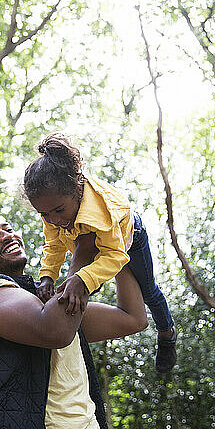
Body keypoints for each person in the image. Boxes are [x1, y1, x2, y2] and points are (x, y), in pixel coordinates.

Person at [0, 207, 147, 429]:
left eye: (7, 228)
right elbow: (53, 330)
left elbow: (132, 318)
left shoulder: (55, 305)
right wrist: (84, 249)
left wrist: (116, 245)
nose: (7, 236)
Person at [23, 133, 177, 373]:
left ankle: (166, 332)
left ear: (75, 191)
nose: (53, 219)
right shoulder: (53, 211)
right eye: (44, 214)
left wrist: (83, 278)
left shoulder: (101, 212)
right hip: (92, 238)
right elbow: (54, 245)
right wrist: (47, 276)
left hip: (129, 236)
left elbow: (115, 255)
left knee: (149, 292)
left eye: (58, 210)